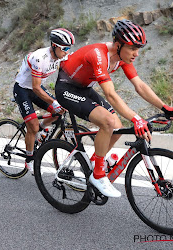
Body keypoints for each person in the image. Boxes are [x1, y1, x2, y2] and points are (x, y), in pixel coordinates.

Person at [55, 19, 173, 197]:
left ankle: (96, 162)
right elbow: (110, 94)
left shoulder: (122, 57)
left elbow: (139, 86)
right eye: (132, 48)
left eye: (138, 49)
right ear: (118, 44)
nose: (136, 54)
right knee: (108, 122)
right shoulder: (99, 54)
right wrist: (136, 118)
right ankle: (98, 175)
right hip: (66, 89)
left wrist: (165, 108)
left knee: (117, 127)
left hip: (84, 88)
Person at [13, 28, 75, 174]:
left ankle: (40, 130)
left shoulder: (61, 56)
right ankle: (29, 159)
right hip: (23, 90)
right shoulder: (39, 57)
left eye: (69, 48)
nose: (67, 51)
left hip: (37, 88)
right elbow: (35, 87)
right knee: (32, 127)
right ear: (54, 45)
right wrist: (54, 102)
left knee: (58, 112)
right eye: (65, 48)